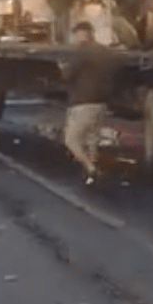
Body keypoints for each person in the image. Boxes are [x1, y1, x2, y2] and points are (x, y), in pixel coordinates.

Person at [61, 21, 121, 185]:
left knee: (71, 140)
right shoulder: (104, 51)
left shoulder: (80, 52)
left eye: (75, 34)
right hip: (101, 103)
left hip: (83, 102)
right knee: (92, 139)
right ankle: (91, 172)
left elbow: (68, 75)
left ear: (81, 34)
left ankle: (91, 169)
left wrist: (62, 67)